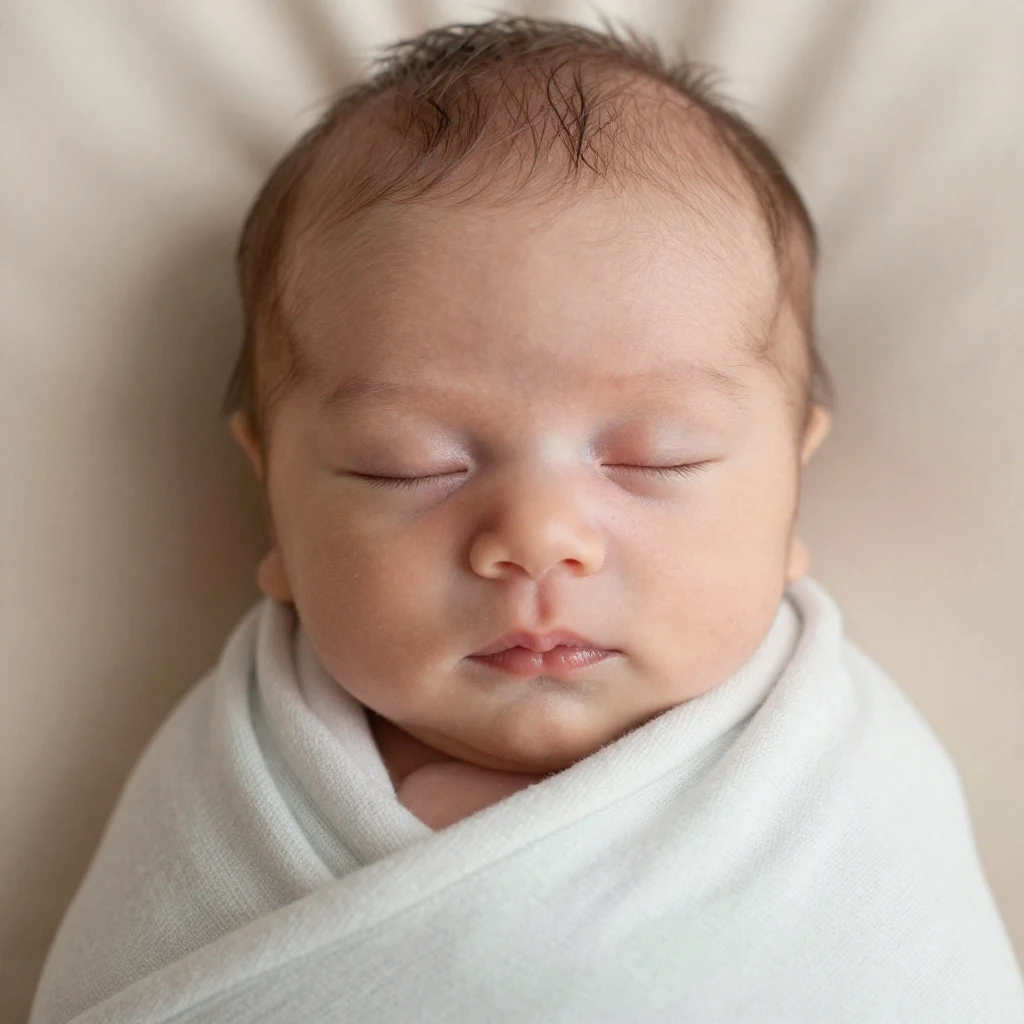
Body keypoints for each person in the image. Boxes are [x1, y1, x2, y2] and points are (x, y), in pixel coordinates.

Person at [30, 16, 1024, 1024]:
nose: (540, 536)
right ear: (275, 504)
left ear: (789, 492)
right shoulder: (230, 795)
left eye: (654, 456)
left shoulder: (846, 798)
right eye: (407, 464)